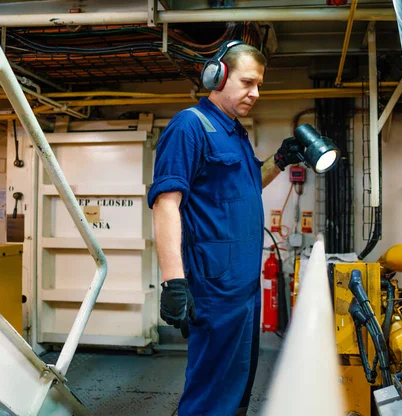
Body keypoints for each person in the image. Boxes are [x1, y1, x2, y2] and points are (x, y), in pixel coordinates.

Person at [147, 40, 306, 416]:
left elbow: (248, 185)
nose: (255, 93)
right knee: (210, 392)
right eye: (248, 82)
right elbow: (166, 204)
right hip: (215, 287)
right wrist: (174, 282)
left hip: (244, 285)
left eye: (259, 85)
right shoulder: (190, 126)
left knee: (236, 387)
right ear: (217, 77)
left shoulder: (235, 133)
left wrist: (280, 161)